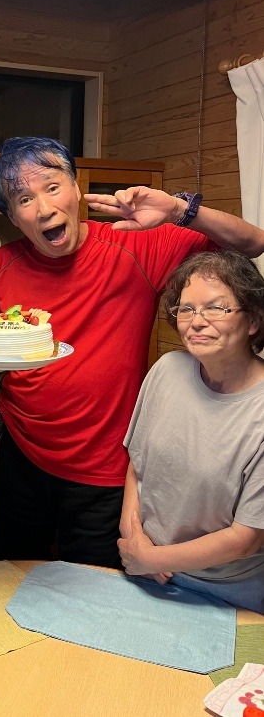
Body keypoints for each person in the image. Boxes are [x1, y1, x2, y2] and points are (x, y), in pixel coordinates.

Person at [0, 136, 264, 568]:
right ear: (12, 217)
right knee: (11, 573)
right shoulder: (3, 264)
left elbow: (253, 244)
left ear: (76, 188)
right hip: (22, 453)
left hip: (104, 467)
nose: (43, 208)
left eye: (52, 187)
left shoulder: (136, 244)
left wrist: (178, 210)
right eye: (24, 199)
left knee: (96, 591)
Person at [119, 251, 264, 613]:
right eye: (186, 309)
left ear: (253, 321)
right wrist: (133, 537)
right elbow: (138, 465)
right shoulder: (167, 370)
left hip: (226, 593)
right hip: (146, 573)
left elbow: (246, 538)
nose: (196, 322)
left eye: (216, 308)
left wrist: (153, 558)